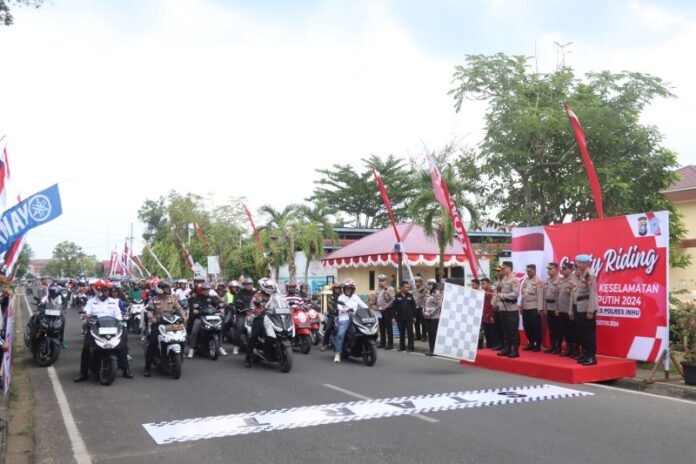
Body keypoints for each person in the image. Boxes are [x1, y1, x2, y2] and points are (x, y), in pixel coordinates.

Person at [74, 280, 133, 382]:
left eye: (107, 290)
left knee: (123, 345)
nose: (107, 292)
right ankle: (83, 373)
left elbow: (118, 315)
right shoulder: (91, 301)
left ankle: (126, 370)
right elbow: (86, 312)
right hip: (95, 328)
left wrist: (121, 319)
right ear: (98, 291)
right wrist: (85, 315)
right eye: (104, 290)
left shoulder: (113, 301)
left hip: (112, 328)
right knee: (86, 347)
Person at [143, 281, 187, 376]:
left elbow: (179, 308)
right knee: (152, 344)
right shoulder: (154, 299)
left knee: (181, 338)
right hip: (158, 323)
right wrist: (152, 318)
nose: (168, 289)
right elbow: (149, 311)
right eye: (165, 288)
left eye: (168, 288)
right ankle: (147, 367)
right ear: (160, 289)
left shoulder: (172, 298)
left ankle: (179, 356)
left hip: (171, 322)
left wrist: (183, 316)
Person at [244, 278, 278, 368]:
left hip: (273, 318)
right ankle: (248, 357)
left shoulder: (275, 295)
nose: (270, 288)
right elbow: (252, 306)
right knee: (254, 335)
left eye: (271, 286)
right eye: (268, 287)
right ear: (263, 287)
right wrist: (256, 310)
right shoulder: (258, 295)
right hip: (260, 318)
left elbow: (282, 303)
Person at [187, 283, 227, 358]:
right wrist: (195, 310)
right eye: (205, 290)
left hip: (212, 317)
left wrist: (221, 307)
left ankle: (220, 347)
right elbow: (193, 306)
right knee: (195, 327)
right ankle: (191, 348)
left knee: (220, 327)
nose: (206, 291)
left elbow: (217, 304)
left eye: (208, 290)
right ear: (201, 290)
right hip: (200, 317)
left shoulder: (211, 298)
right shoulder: (196, 298)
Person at [572, 254, 598, 366]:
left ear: (587, 263)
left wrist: (591, 310)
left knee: (588, 334)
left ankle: (591, 356)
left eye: (580, 262)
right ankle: (586, 354)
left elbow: (593, 293)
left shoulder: (589, 275)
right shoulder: (581, 275)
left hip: (587, 308)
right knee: (582, 333)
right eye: (578, 262)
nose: (578, 264)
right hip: (580, 308)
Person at [334, 279, 368, 363]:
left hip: (356, 318)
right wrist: (342, 310)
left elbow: (363, 305)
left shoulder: (355, 297)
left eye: (350, 289)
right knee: (340, 334)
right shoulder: (341, 297)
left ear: (353, 290)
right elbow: (339, 306)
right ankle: (337, 354)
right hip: (344, 318)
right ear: (344, 289)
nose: (348, 290)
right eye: (346, 288)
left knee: (362, 332)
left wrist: (369, 309)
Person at [496, 261, 521, 358]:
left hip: (511, 308)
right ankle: (507, 348)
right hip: (503, 308)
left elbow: (515, 294)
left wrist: (503, 295)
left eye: (504, 268)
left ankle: (515, 350)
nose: (502, 270)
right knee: (505, 329)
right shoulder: (503, 279)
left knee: (513, 330)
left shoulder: (514, 279)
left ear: (510, 268)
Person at [519, 264, 543, 352]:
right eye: (527, 271)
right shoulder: (526, 280)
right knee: (527, 325)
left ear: (534, 270)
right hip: (525, 306)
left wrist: (539, 308)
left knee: (535, 326)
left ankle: (538, 344)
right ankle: (531, 343)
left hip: (534, 306)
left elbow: (540, 295)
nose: (528, 273)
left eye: (529, 271)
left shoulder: (538, 281)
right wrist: (521, 305)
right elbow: (524, 295)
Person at [557, 261, 576, 357]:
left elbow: (574, 296)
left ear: (570, 269)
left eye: (565, 269)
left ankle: (572, 349)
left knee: (570, 330)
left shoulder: (573, 280)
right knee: (563, 330)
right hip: (561, 309)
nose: (563, 270)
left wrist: (571, 310)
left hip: (569, 310)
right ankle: (568, 347)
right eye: (562, 269)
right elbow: (557, 295)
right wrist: (557, 308)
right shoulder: (561, 280)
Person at [392, 280, 417, 353]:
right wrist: (393, 317)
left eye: (408, 287)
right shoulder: (397, 296)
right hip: (400, 317)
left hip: (409, 317)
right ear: (402, 287)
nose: (408, 288)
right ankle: (402, 347)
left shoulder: (410, 296)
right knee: (401, 333)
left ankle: (410, 347)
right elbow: (394, 307)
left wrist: (414, 316)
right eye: (406, 287)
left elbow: (414, 306)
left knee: (410, 333)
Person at [543, 263, 562, 354]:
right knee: (551, 329)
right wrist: (545, 308)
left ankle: (558, 347)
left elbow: (560, 297)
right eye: (548, 269)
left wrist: (557, 309)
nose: (549, 271)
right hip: (548, 307)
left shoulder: (560, 280)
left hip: (555, 307)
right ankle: (552, 346)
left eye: (551, 269)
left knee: (558, 329)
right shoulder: (547, 280)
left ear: (556, 270)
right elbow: (545, 296)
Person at [375, 275, 395, 350]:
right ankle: (382, 343)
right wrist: (374, 305)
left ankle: (390, 344)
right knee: (381, 327)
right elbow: (376, 299)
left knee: (388, 327)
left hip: (387, 310)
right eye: (380, 281)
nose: (381, 282)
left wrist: (386, 306)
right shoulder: (378, 290)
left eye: (382, 281)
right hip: (379, 311)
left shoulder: (389, 289)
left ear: (385, 281)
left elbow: (393, 299)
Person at [422, 279, 442, 356]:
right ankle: (431, 349)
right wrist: (424, 312)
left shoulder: (437, 293)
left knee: (434, 334)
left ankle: (435, 350)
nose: (429, 286)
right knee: (430, 334)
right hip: (426, 316)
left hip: (434, 317)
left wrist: (431, 313)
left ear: (434, 285)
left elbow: (438, 306)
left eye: (430, 284)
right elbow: (424, 304)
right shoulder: (427, 292)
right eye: (428, 284)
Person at [481, 277, 502, 350]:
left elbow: (494, 305)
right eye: (481, 284)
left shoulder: (492, 292)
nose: (482, 285)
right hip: (484, 317)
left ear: (488, 284)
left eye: (483, 284)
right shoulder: (482, 293)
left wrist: (492, 315)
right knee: (487, 333)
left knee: (493, 332)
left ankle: (495, 346)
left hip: (491, 316)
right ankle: (488, 346)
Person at [320, 282, 342, 352]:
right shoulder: (331, 296)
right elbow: (329, 305)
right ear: (334, 289)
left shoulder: (342, 296)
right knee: (328, 328)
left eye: (338, 288)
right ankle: (325, 344)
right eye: (336, 288)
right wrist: (334, 311)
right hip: (333, 315)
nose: (337, 290)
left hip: (342, 315)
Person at [412, 276, 427, 342]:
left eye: (417, 282)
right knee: (416, 322)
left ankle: (424, 336)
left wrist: (423, 288)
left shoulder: (423, 289)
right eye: (415, 282)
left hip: (421, 307)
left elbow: (425, 291)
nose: (416, 283)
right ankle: (418, 335)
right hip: (415, 308)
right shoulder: (414, 289)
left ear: (421, 282)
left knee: (423, 323)